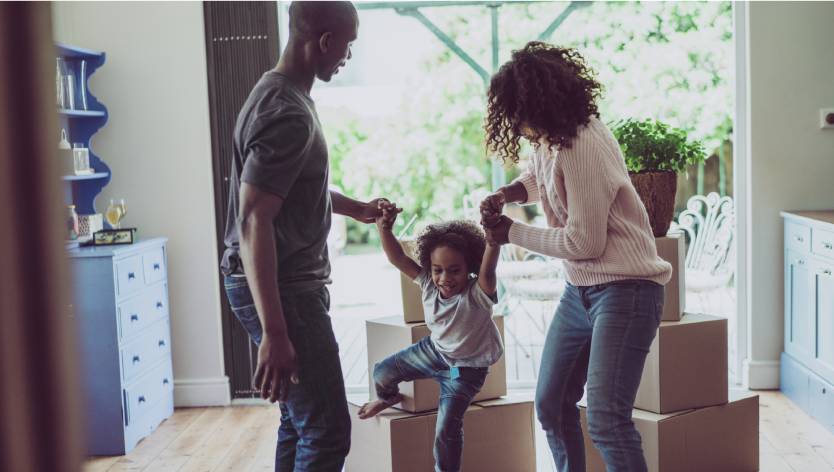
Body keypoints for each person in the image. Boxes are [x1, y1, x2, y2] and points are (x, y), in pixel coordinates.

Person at [480, 41, 673, 472]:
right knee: (551, 403)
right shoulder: (551, 137)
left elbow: (585, 244)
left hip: (626, 290)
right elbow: (541, 176)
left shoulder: (581, 141)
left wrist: (512, 232)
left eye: (519, 114)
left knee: (606, 420)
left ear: (540, 104)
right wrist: (509, 194)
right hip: (580, 292)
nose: (517, 125)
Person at [220, 2, 385, 470]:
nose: (347, 57)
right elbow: (255, 219)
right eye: (347, 46)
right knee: (327, 430)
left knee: (299, 422)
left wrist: (359, 209)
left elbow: (286, 189)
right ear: (326, 41)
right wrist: (275, 332)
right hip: (285, 291)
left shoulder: (276, 93)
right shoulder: (287, 112)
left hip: (282, 285)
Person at [358, 201, 503, 472]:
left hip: (466, 369)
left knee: (446, 430)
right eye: (438, 269)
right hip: (433, 351)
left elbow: (489, 270)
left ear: (468, 267)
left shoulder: (478, 292)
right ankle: (387, 397)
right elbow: (397, 258)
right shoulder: (427, 283)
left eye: (454, 270)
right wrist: (385, 230)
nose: (445, 277)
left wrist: (493, 241)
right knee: (381, 372)